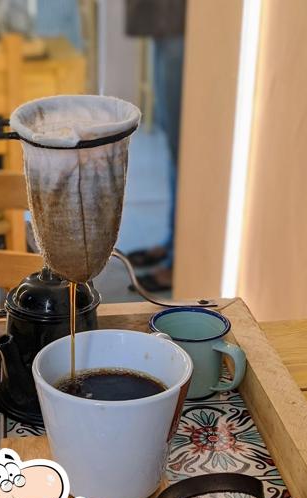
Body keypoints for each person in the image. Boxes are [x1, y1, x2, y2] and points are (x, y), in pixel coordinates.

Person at [124, 0, 186, 292]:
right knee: (174, 141)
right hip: (166, 18)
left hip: (184, 19)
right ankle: (174, 245)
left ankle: (180, 259)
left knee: (185, 145)